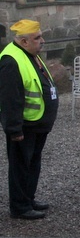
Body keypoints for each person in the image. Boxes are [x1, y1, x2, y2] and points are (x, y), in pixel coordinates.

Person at [0, 19, 58, 220]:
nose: (42, 41)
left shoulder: (30, 54)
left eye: (41, 36)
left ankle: (28, 198)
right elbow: (9, 99)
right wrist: (14, 129)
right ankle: (19, 206)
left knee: (32, 164)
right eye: (37, 38)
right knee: (20, 167)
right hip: (24, 126)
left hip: (37, 124)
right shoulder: (11, 60)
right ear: (24, 42)